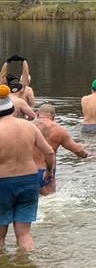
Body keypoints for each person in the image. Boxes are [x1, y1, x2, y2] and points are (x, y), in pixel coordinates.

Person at [0, 86, 55, 251]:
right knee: (24, 234)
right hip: (29, 181)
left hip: (3, 183)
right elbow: (49, 152)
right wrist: (48, 172)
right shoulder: (30, 126)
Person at [32, 104, 88, 196]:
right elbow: (78, 151)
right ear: (54, 116)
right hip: (47, 172)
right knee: (49, 201)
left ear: (37, 114)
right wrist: (86, 154)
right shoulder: (60, 130)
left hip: (27, 171)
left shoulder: (26, 127)